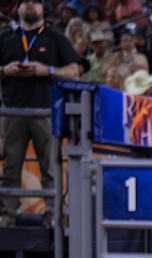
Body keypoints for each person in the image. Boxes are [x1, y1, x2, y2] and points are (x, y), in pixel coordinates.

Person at [0, 0, 81, 226]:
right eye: (25, 1)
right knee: (10, 167)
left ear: (42, 8)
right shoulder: (6, 37)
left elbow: (75, 71)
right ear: (17, 8)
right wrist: (4, 71)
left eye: (35, 2)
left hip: (46, 112)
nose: (30, 6)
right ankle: (7, 217)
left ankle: (53, 216)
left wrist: (49, 70)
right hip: (12, 111)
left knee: (50, 166)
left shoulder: (54, 38)